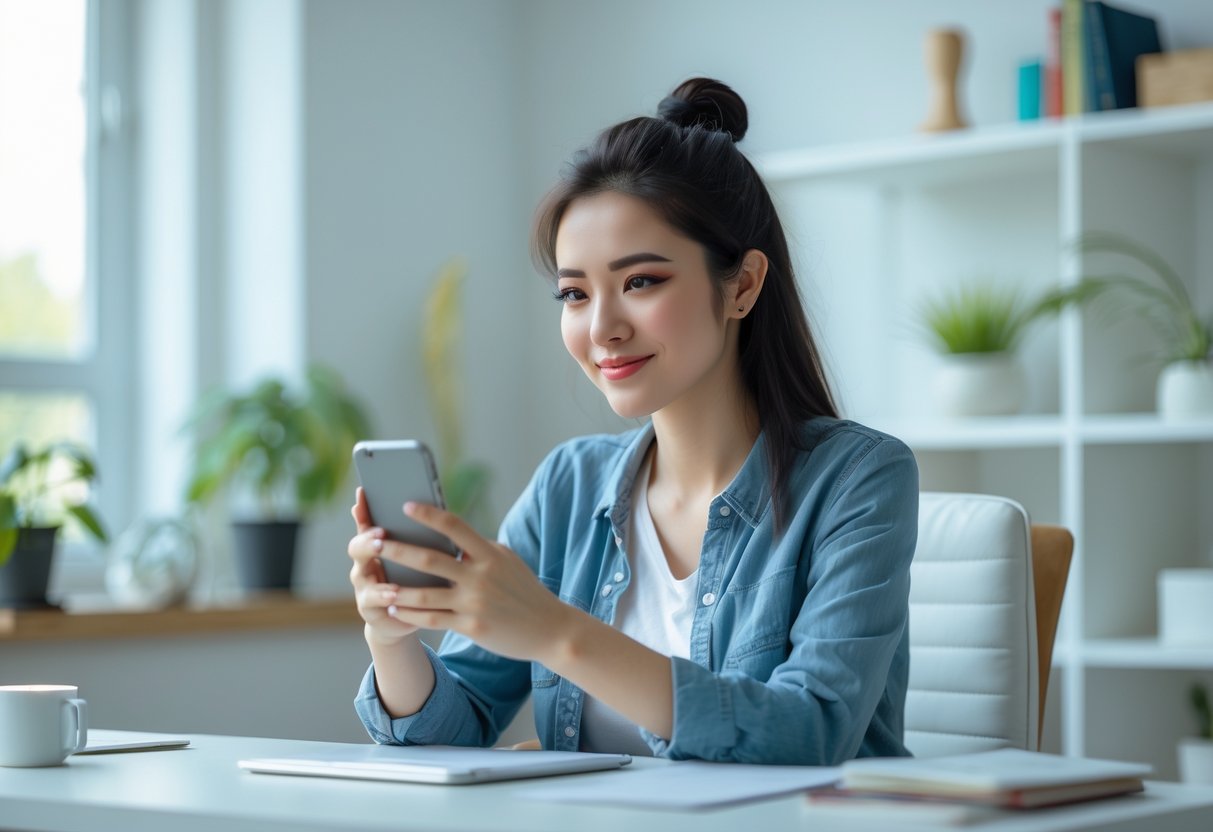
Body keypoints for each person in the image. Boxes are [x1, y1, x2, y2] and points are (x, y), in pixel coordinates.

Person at [347, 78, 918, 765]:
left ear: (741, 285)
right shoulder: (568, 484)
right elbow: (454, 727)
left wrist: (557, 633)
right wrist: (393, 636)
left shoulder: (857, 478)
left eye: (640, 281)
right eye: (574, 294)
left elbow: (810, 731)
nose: (602, 328)